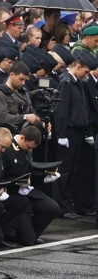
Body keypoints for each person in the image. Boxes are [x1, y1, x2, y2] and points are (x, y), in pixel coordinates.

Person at [53, 51, 95, 219]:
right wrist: (61, 134)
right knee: (64, 170)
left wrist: (87, 132)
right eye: (85, 72)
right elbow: (61, 110)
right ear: (78, 66)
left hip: (78, 131)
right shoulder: (66, 83)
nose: (86, 76)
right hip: (69, 132)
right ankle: (61, 206)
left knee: (72, 171)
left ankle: (68, 203)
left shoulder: (78, 83)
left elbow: (83, 109)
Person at [2, 126, 60, 245]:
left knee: (53, 207)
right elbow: (2, 176)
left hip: (26, 192)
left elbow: (29, 173)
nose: (29, 150)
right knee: (27, 240)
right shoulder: (7, 148)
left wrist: (44, 178)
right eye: (29, 147)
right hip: (13, 194)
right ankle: (19, 235)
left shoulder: (27, 150)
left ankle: (31, 233)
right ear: (22, 138)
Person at [0, 62, 42, 133]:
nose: (23, 83)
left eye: (25, 80)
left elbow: (31, 111)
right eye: (21, 79)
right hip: (5, 135)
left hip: (23, 134)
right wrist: (24, 117)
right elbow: (2, 119)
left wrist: (41, 123)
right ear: (12, 75)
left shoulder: (23, 92)